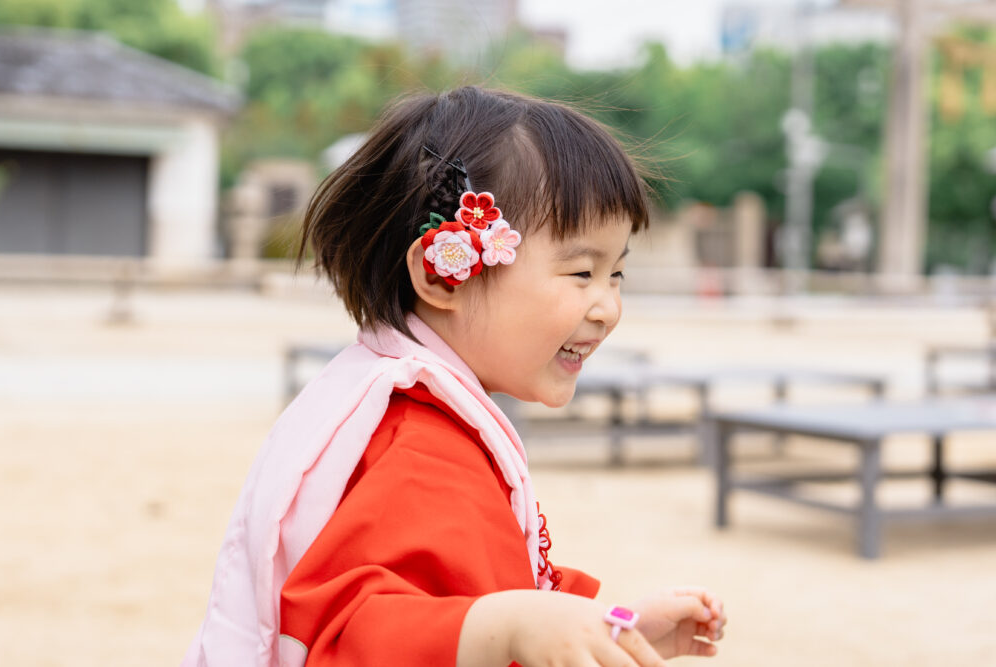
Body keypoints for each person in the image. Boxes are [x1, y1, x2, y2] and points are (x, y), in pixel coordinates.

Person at [183, 86, 726, 667]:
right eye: (581, 271)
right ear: (447, 276)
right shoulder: (418, 451)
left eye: (616, 274)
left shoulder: (400, 409)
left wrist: (612, 630)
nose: (607, 307)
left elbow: (479, 589)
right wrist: (512, 628)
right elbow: (354, 640)